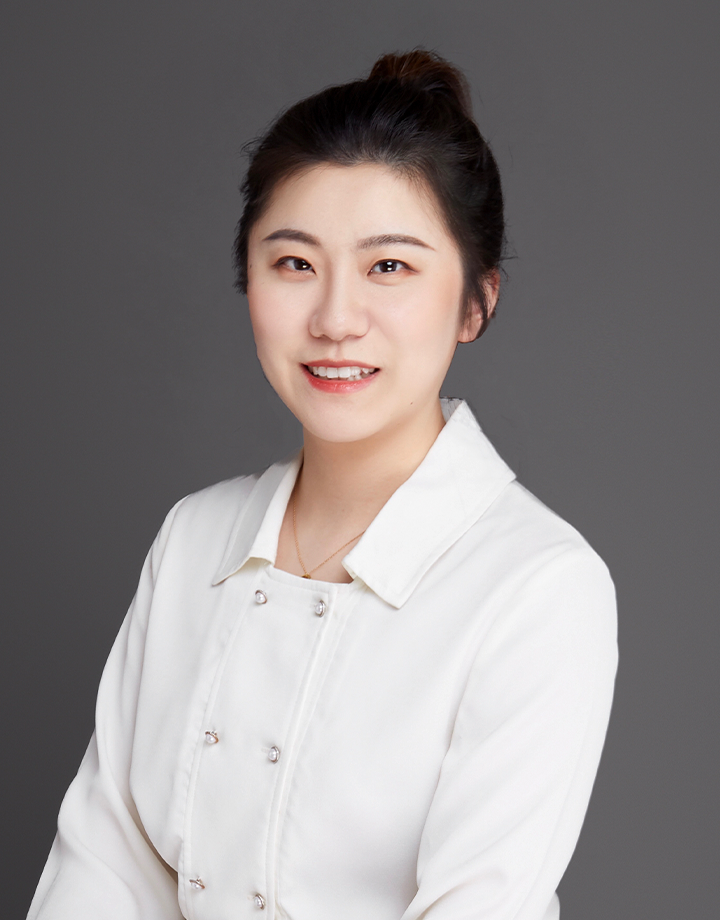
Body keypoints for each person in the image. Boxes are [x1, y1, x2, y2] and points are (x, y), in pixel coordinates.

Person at [27, 50, 618, 920]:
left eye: (390, 267)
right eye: (295, 264)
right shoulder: (195, 537)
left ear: (476, 302)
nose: (336, 319)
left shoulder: (538, 587)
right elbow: (106, 859)